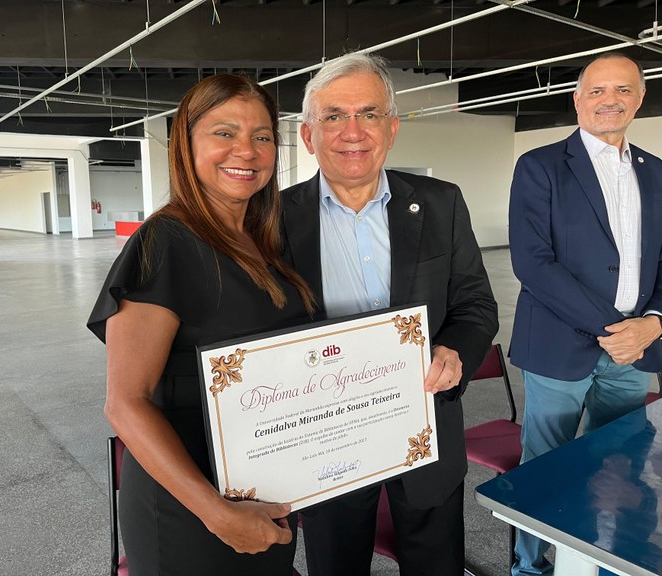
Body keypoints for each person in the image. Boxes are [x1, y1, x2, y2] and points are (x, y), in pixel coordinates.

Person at [87, 74, 315, 576]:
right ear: (185, 144)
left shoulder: (265, 241)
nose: (247, 151)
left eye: (261, 136)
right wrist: (217, 514)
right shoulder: (165, 242)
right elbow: (125, 403)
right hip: (190, 504)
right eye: (224, 133)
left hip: (263, 481)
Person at [282, 52, 499, 576]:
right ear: (309, 135)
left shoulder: (442, 203)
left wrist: (455, 352)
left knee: (435, 564)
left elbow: (476, 303)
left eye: (369, 114)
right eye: (334, 115)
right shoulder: (271, 218)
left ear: (392, 128)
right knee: (337, 564)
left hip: (424, 426)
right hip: (325, 441)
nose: (352, 131)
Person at [508, 52, 662, 576]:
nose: (609, 100)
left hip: (635, 350)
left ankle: (610, 559)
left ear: (639, 99)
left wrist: (654, 323)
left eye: (622, 90)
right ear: (577, 100)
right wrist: (616, 330)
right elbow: (533, 262)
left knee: (622, 462)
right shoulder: (540, 166)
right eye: (597, 90)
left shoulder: (658, 173)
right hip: (562, 345)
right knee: (545, 463)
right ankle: (530, 567)